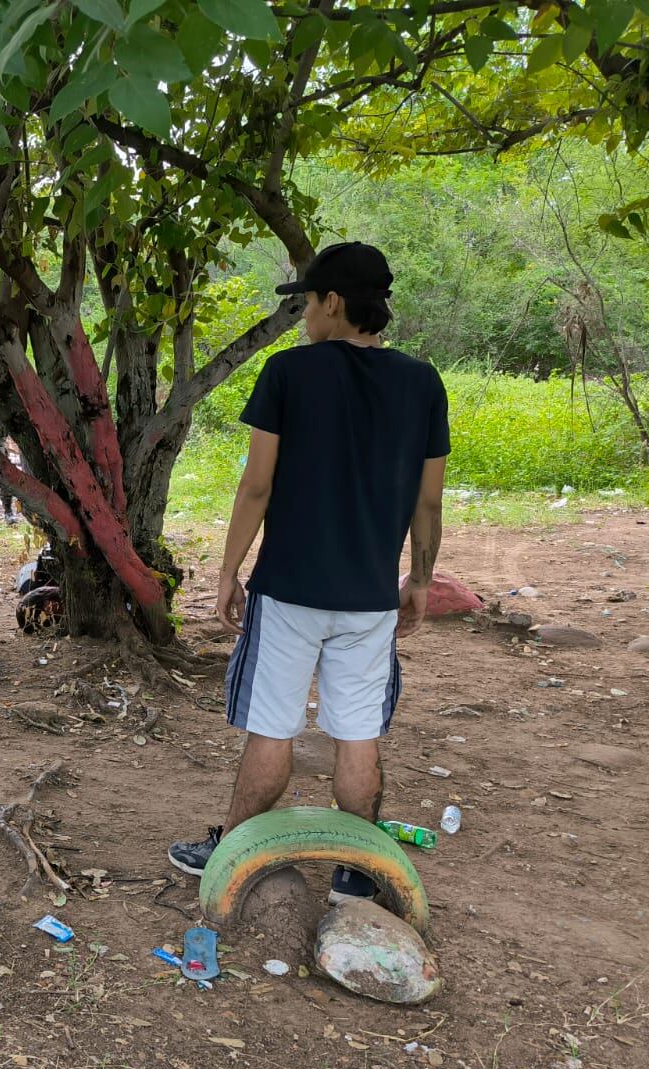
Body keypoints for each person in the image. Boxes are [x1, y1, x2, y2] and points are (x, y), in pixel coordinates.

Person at [166, 243, 449, 905]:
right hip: (371, 598)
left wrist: (229, 570)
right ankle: (358, 870)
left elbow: (256, 487)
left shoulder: (287, 374)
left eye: (307, 302)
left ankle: (235, 850)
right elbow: (427, 502)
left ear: (333, 303)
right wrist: (420, 581)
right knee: (358, 734)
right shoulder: (422, 384)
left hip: (289, 591)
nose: (302, 316)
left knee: (273, 726)